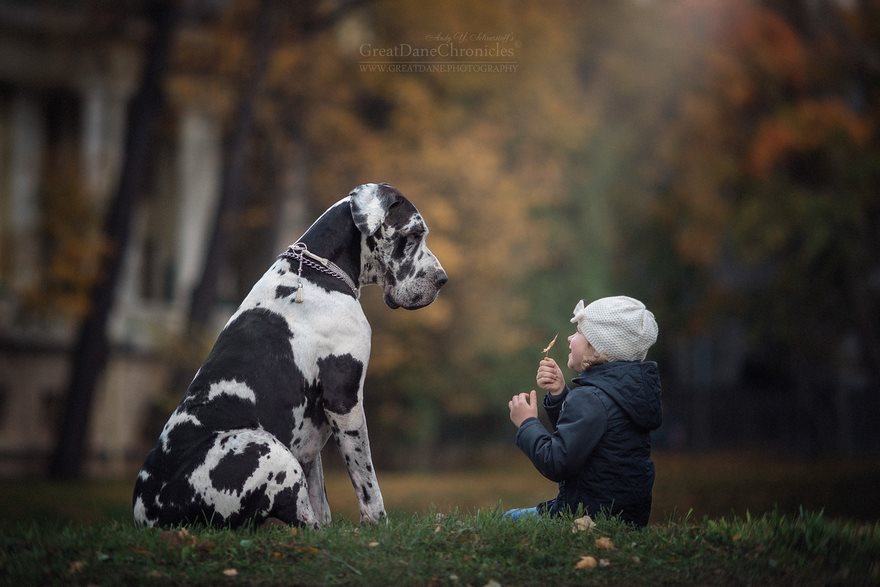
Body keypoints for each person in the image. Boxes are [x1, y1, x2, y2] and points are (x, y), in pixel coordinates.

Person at [506, 295, 662, 527]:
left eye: (579, 332)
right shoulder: (623, 393)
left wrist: (528, 422)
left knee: (507, 520)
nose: (570, 337)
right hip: (622, 516)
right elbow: (584, 438)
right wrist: (560, 394)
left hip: (585, 515)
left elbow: (556, 462)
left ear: (598, 349)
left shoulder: (591, 397)